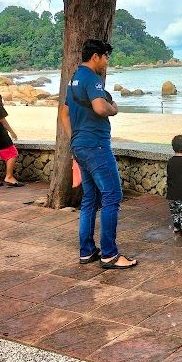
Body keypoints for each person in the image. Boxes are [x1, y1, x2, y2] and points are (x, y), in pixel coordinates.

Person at [60, 39, 137, 270]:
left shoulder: (74, 79)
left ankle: (87, 252)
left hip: (81, 145)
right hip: (96, 145)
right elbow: (101, 108)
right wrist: (114, 109)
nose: (106, 62)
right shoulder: (92, 78)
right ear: (96, 56)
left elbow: (64, 114)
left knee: (90, 199)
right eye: (106, 57)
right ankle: (109, 255)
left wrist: (75, 138)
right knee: (112, 195)